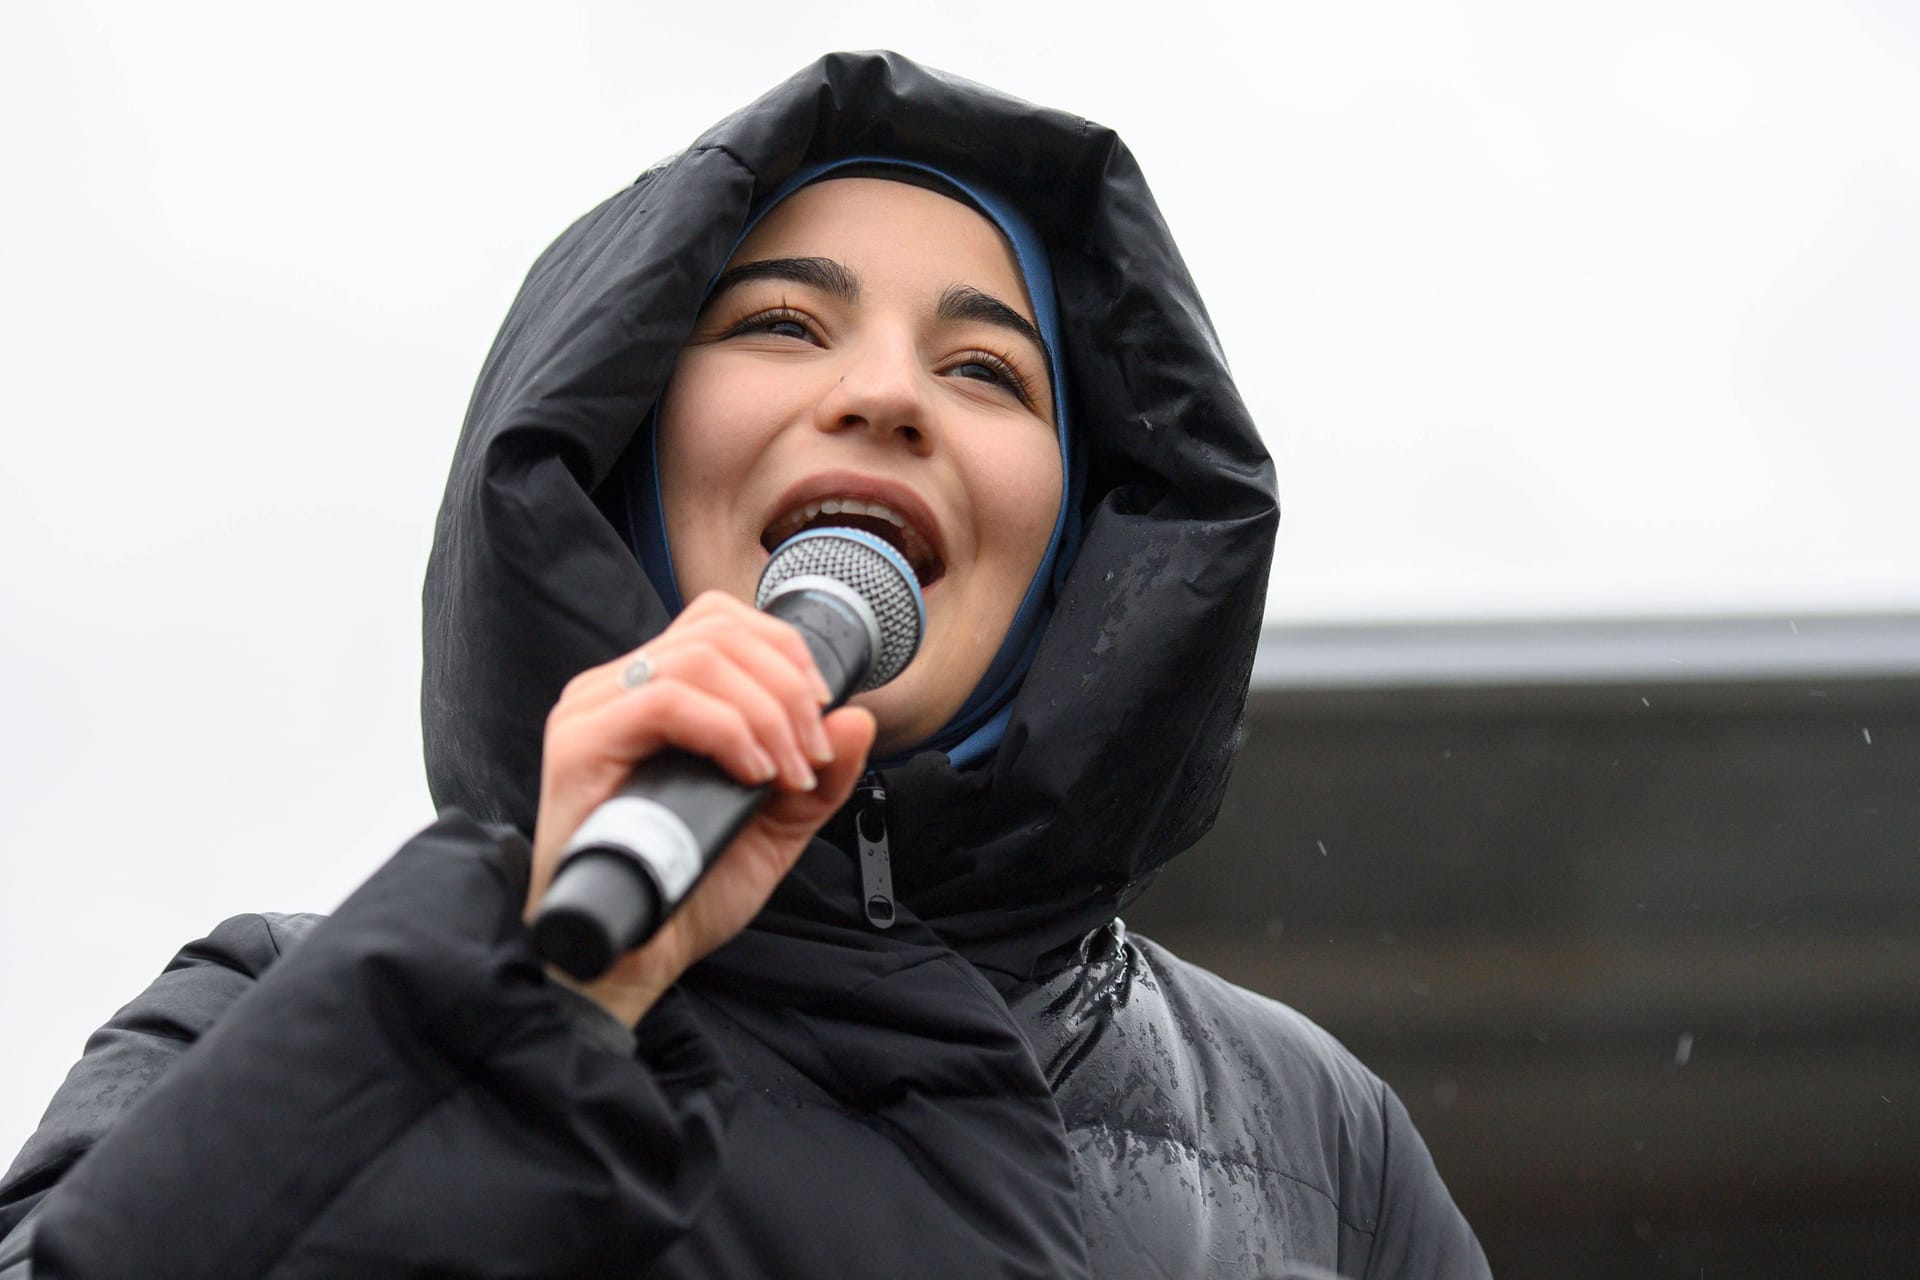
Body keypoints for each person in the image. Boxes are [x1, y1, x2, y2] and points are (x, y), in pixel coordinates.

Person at [0, 52, 1490, 1279]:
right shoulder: (275, 1007)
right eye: (782, 322)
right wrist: (531, 1004)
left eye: (985, 370)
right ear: (624, 449)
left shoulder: (1319, 1146)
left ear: (1079, 537)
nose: (886, 392)